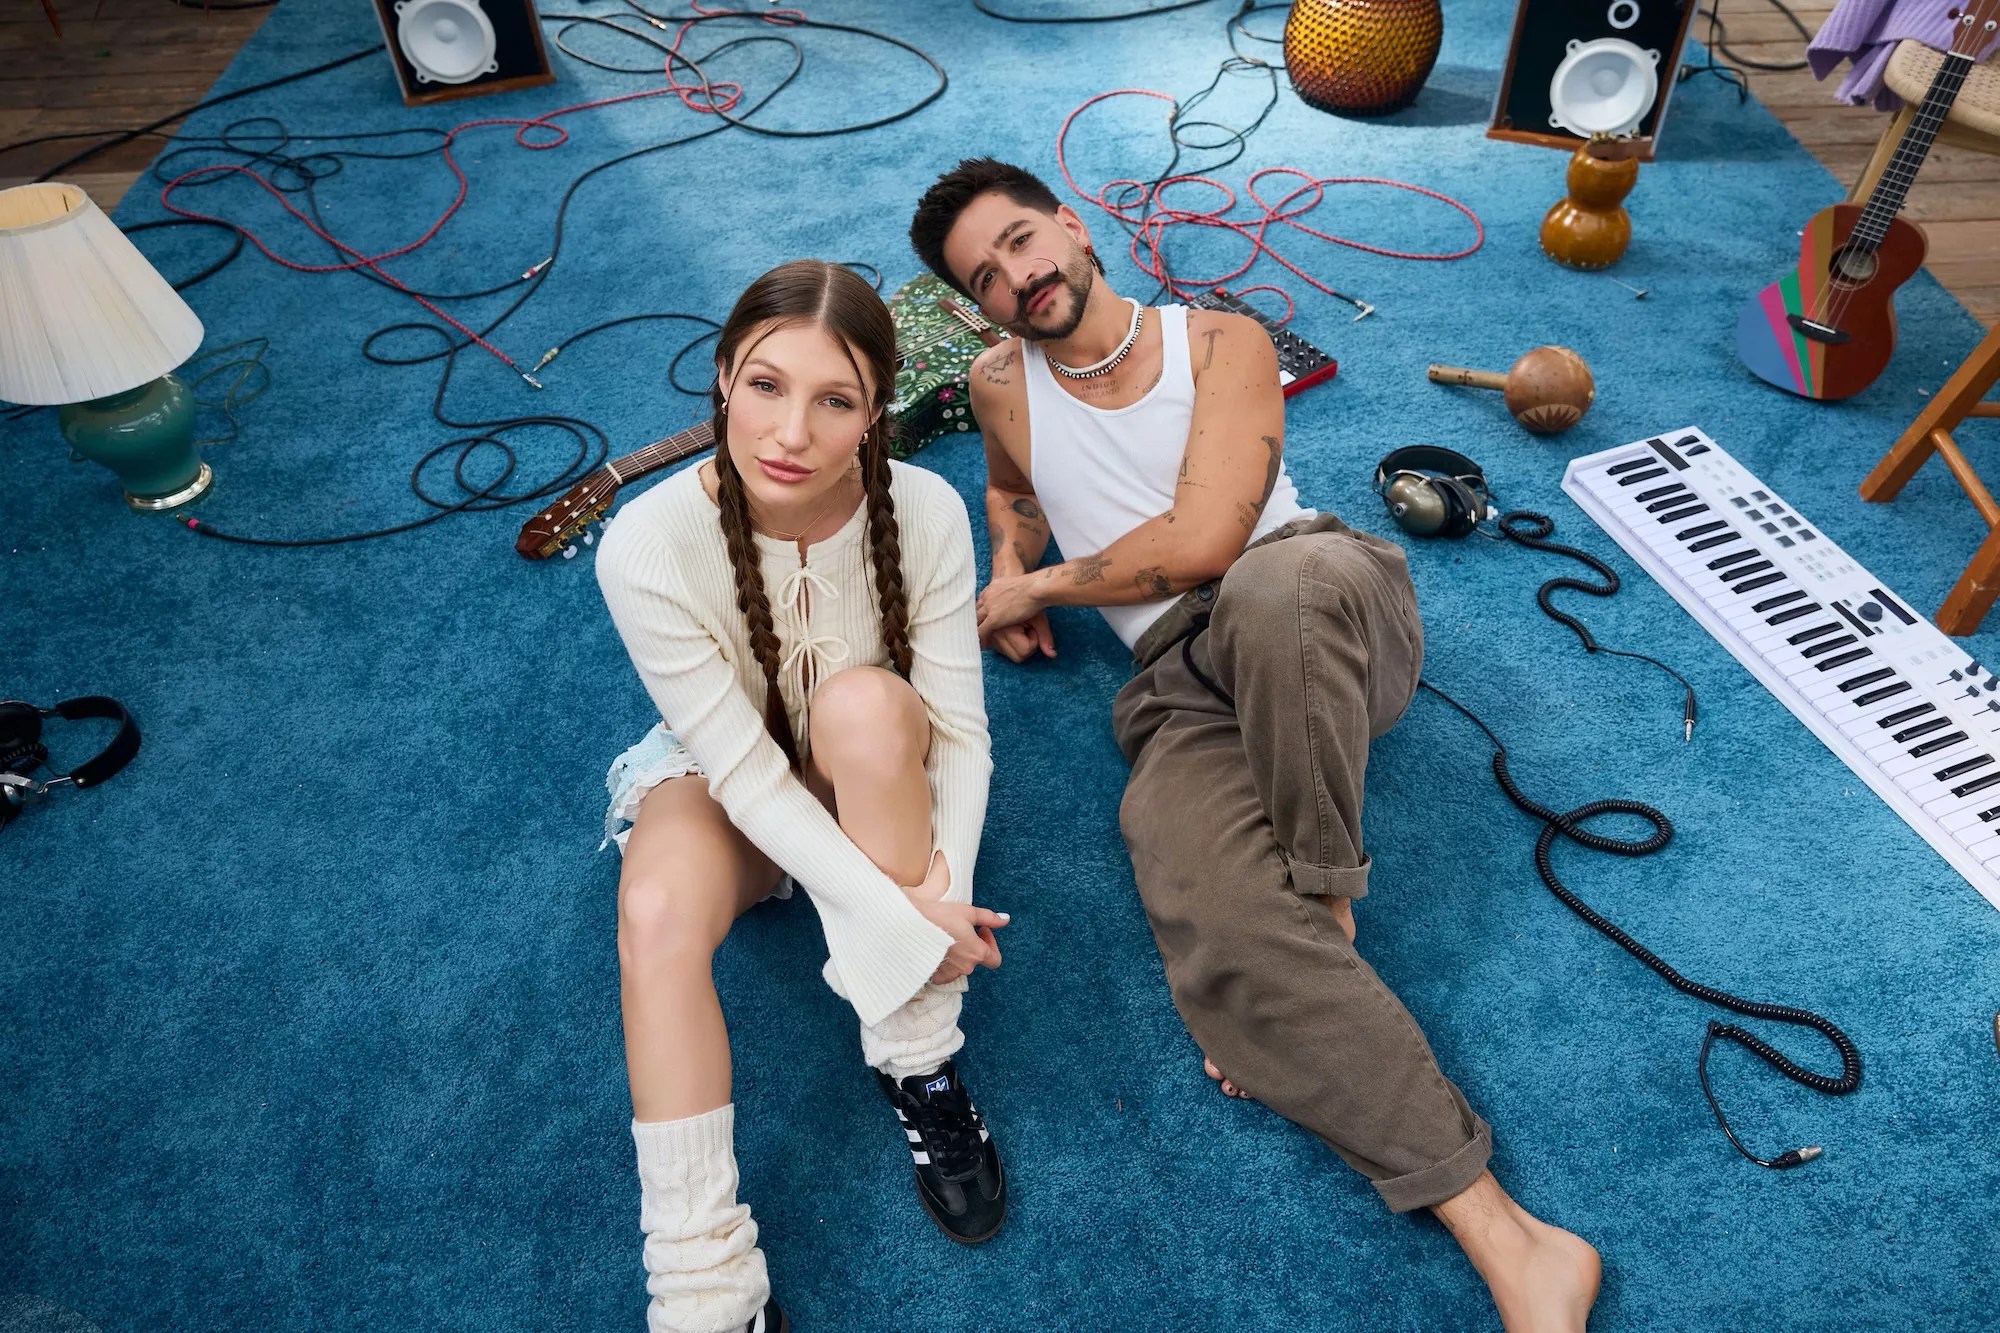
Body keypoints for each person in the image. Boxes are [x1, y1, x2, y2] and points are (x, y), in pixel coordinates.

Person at [909, 160, 1602, 1332]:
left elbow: (1206, 538)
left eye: (1023, 241)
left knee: (1276, 581)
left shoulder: (1219, 342)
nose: (1019, 277)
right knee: (1194, 888)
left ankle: (1320, 897)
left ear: (1071, 228)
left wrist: (1039, 589)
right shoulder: (995, 385)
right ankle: (1513, 1241)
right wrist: (1007, 568)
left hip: (1313, 602)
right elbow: (1010, 489)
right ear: (976, 304)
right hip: (1177, 683)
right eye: (986, 276)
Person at [595, 258, 1011, 1333]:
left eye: (834, 401)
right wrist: (892, 911)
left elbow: (958, 735)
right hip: (726, 773)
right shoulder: (643, 543)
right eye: (767, 386)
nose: (791, 433)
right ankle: (700, 1279)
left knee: (870, 709)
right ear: (724, 379)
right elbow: (738, 771)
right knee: (650, 912)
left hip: (865, 765)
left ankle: (919, 1061)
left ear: (875, 413)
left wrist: (945, 898)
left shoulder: (923, 509)